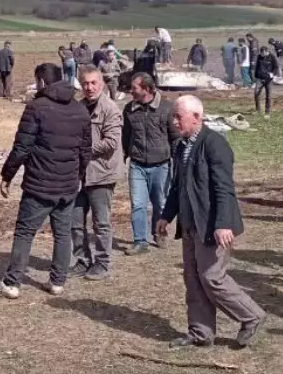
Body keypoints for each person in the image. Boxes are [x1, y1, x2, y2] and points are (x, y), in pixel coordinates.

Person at [156, 95, 266, 349]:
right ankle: (200, 333)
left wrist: (223, 224)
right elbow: (178, 186)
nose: (174, 122)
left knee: (212, 277)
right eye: (173, 116)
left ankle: (251, 316)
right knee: (193, 279)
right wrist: (166, 216)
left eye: (178, 116)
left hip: (213, 226)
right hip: (190, 224)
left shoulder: (215, 145)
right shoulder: (182, 146)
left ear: (196, 117)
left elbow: (224, 189)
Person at [0, 64, 91, 298]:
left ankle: (12, 283)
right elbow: (85, 151)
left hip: (39, 185)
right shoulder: (80, 110)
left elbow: (21, 148)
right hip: (68, 186)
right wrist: (77, 176)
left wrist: (7, 175)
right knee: (63, 233)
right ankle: (57, 282)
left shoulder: (36, 108)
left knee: (25, 232)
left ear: (42, 82)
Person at [70, 68, 123, 281]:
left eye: (93, 83)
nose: (89, 87)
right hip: (80, 174)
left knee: (101, 223)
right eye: (85, 84)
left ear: (101, 83)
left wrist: (84, 149)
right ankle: (82, 260)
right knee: (75, 221)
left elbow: (111, 142)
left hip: (102, 173)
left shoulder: (110, 109)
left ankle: (102, 263)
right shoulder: (78, 107)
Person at [122, 72, 180, 255]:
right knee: (138, 204)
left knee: (160, 203)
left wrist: (177, 160)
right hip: (137, 164)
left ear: (146, 89)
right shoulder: (129, 109)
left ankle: (159, 232)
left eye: (134, 88)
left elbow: (175, 137)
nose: (131, 91)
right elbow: (126, 135)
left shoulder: (166, 108)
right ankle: (140, 241)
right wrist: (125, 153)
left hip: (161, 165)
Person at [253, 46, 278, 116]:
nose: (262, 55)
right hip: (259, 79)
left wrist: (273, 74)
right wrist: (255, 76)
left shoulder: (272, 57)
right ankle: (258, 110)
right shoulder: (259, 57)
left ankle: (267, 112)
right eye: (261, 54)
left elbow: (276, 67)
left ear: (266, 51)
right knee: (256, 94)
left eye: (263, 53)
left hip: (268, 80)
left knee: (268, 96)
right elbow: (257, 66)